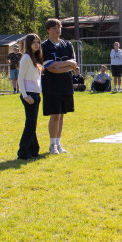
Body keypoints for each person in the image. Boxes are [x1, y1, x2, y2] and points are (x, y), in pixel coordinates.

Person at [41, 19, 77, 154]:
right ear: (48, 30)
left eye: (59, 27)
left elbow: (74, 63)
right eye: (54, 28)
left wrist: (62, 65)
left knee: (62, 115)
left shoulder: (67, 44)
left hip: (66, 85)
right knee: (55, 114)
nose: (57, 30)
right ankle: (52, 145)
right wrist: (66, 66)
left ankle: (58, 143)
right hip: (51, 86)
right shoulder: (44, 46)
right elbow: (50, 68)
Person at [17, 33, 44, 159]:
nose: (37, 45)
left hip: (36, 93)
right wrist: (25, 95)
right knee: (30, 124)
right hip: (29, 94)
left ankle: (34, 151)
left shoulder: (35, 58)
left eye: (38, 42)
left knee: (32, 123)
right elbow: (20, 77)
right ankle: (23, 152)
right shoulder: (26, 58)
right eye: (34, 43)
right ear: (29, 44)